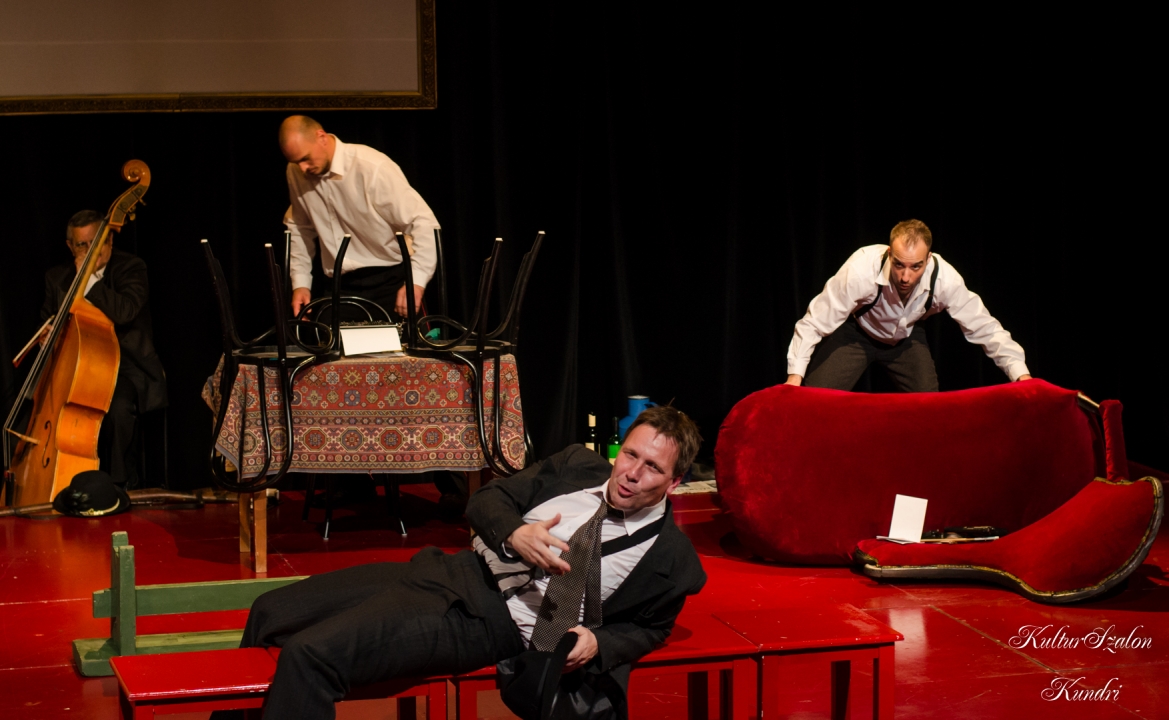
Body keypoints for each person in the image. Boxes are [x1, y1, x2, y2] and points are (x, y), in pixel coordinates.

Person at [216, 406, 706, 720]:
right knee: (270, 610)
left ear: (676, 480)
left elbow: (652, 628)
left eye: (652, 468)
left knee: (312, 655)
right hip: (450, 571)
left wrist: (600, 642)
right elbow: (488, 499)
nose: (631, 473)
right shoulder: (577, 466)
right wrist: (515, 533)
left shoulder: (672, 559)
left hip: (487, 622)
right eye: (630, 455)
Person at [785, 219, 1032, 392]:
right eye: (899, 264)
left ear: (928, 259)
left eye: (916, 267)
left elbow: (983, 326)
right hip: (856, 335)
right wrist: (794, 377)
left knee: (929, 409)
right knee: (815, 399)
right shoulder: (861, 270)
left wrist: (1021, 374)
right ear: (889, 253)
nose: (906, 277)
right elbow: (815, 321)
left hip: (907, 340)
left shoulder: (945, 280)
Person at [40, 210, 167, 488]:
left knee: (118, 409)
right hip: (76, 370)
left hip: (125, 367)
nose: (90, 251)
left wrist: (89, 281)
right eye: (81, 245)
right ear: (70, 246)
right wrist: (47, 335)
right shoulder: (57, 277)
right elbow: (48, 320)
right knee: (37, 414)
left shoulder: (131, 267)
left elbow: (125, 312)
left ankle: (122, 486)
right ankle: (62, 484)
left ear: (109, 240)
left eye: (95, 242)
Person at [279, 114, 440, 320]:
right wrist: (300, 283)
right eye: (295, 162)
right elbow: (300, 227)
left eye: (305, 158)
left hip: (389, 282)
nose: (302, 168)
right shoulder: (295, 172)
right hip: (339, 287)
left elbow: (423, 222)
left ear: (321, 137)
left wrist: (416, 281)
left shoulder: (371, 166)